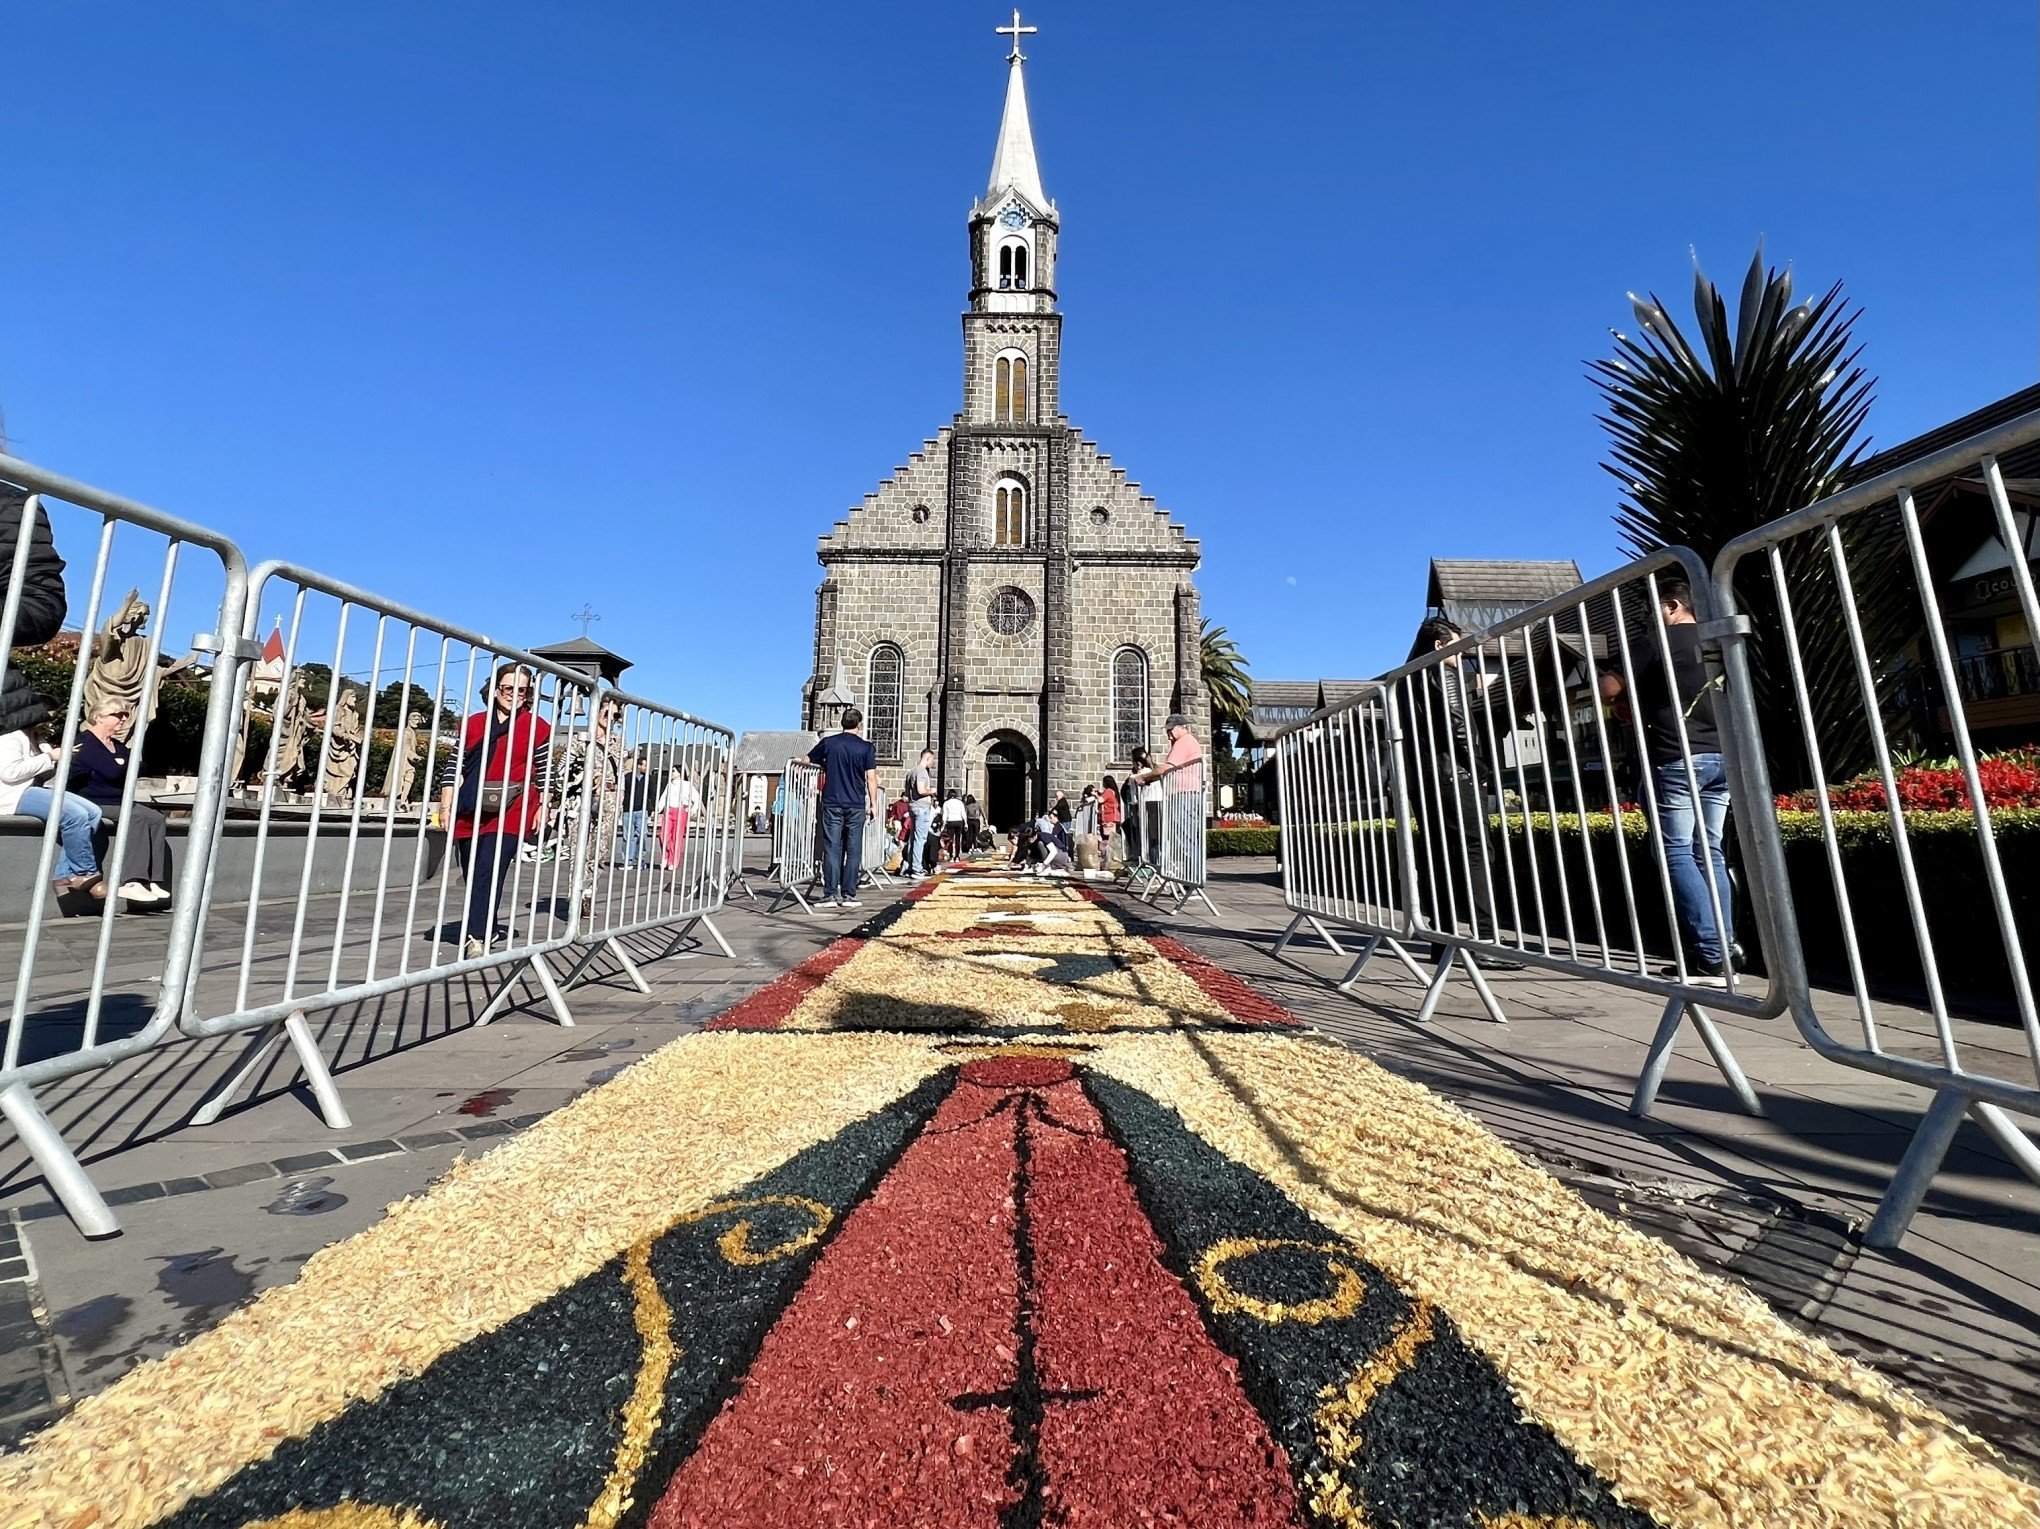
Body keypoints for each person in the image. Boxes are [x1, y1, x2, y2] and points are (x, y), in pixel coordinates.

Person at [1615, 578, 1736, 982]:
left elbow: (1609, 684)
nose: (1651, 617)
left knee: (1676, 852)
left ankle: (1711, 952)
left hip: (1676, 758)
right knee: (1711, 851)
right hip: (1723, 758)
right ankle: (1726, 946)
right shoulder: (1716, 640)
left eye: (1654, 609)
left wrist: (1620, 702)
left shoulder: (1656, 642)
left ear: (1671, 606)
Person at [438, 662, 551, 959]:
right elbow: (454, 766)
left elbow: (545, 771)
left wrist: (544, 806)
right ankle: (483, 924)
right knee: (474, 871)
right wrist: (446, 805)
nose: (513, 694)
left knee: (490, 867)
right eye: (508, 688)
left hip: (514, 808)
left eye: (521, 690)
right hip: (471, 807)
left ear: (528, 694)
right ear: (496, 688)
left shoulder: (537, 727)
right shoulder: (474, 723)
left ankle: (477, 936)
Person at [69, 700, 173, 906]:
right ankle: (133, 880)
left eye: (125, 715)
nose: (123, 719)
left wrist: (121, 764)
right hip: (92, 802)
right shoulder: (86, 743)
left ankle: (152, 880)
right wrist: (122, 765)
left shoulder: (117, 746)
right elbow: (112, 771)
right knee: (135, 817)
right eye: (118, 714)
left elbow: (137, 769)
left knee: (156, 818)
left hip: (118, 800)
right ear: (99, 717)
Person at [2, 722, 105, 903]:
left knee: (93, 812)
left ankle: (64, 876)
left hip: (33, 790)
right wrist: (49, 756)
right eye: (46, 718)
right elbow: (9, 773)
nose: (50, 723)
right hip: (14, 795)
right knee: (75, 815)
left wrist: (59, 757)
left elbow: (45, 772)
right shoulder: (11, 738)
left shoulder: (38, 740)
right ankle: (84, 872)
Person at [807, 707, 878, 909]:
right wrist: (873, 804)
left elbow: (807, 759)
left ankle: (830, 894)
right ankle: (849, 895)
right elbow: (871, 777)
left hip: (832, 802)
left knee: (832, 848)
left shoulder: (829, 743)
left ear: (842, 723)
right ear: (859, 724)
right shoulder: (866, 748)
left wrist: (796, 762)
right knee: (853, 849)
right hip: (855, 804)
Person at [906, 746, 938, 876]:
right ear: (927, 758)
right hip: (921, 808)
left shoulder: (911, 772)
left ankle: (910, 866)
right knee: (920, 839)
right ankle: (917, 868)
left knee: (913, 838)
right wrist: (932, 791)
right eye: (932, 760)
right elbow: (921, 790)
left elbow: (909, 791)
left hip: (913, 806)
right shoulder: (921, 772)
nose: (932, 763)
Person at [618, 758, 652, 869]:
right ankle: (627, 860)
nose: (646, 768)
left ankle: (640, 859)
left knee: (642, 835)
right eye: (644, 765)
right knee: (628, 836)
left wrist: (652, 809)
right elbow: (622, 792)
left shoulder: (649, 779)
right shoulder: (628, 777)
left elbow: (652, 793)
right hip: (628, 810)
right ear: (638, 765)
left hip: (642, 810)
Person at [939, 787, 968, 862]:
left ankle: (951, 856)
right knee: (958, 839)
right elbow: (963, 813)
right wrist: (965, 823)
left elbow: (944, 815)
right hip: (959, 821)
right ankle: (957, 856)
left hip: (950, 821)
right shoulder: (960, 802)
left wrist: (943, 825)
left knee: (950, 840)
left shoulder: (946, 803)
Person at [1099, 774, 1123, 861]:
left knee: (1107, 839)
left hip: (1109, 819)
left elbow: (1100, 800)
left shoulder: (1108, 791)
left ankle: (1108, 858)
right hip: (1115, 818)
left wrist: (1095, 795)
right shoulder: (1114, 791)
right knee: (1113, 839)